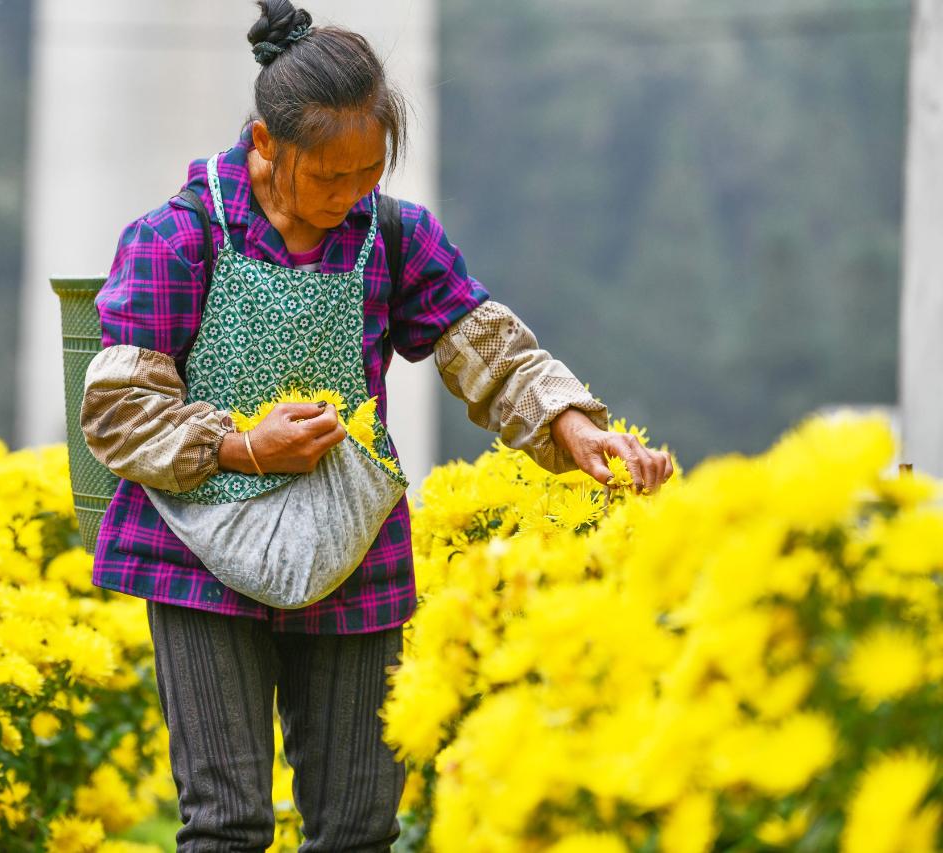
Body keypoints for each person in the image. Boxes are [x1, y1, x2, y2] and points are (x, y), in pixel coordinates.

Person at [80, 2, 673, 849]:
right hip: (196, 552)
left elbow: (484, 344)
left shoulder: (391, 236)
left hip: (349, 552)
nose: (350, 195)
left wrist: (575, 428)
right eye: (328, 176)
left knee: (359, 825)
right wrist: (243, 447)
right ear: (263, 145)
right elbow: (119, 409)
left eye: (367, 173)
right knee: (226, 825)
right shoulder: (177, 240)